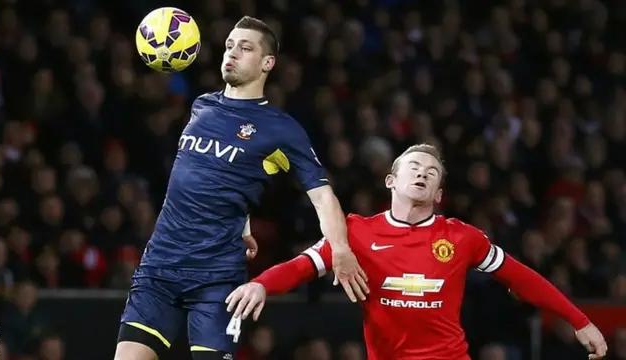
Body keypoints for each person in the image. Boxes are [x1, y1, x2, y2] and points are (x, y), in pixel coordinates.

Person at [114, 16, 368, 360]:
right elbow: (221, 175)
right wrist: (243, 221)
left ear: (267, 63)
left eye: (245, 48)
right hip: (159, 266)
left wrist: (339, 248)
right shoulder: (201, 106)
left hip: (216, 279)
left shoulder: (280, 129)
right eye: (230, 45)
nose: (232, 53)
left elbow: (322, 195)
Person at [225, 143, 609, 360]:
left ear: (439, 194)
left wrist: (580, 321)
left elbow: (521, 277)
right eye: (414, 166)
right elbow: (303, 265)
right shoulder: (355, 232)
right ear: (391, 180)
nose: (423, 173)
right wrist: (261, 284)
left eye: (431, 171)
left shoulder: (463, 238)